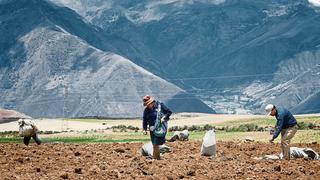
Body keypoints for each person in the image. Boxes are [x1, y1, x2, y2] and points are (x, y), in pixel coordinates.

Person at [142, 95, 172, 160]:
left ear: (152, 102)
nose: (147, 106)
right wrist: (144, 129)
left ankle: (155, 159)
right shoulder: (146, 110)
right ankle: (157, 158)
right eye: (146, 104)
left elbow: (169, 112)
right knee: (155, 144)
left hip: (160, 128)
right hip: (152, 129)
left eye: (148, 104)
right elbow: (145, 120)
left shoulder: (160, 105)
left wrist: (164, 117)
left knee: (156, 144)